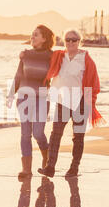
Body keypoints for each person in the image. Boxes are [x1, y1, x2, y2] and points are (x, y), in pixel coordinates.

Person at [38, 28, 104, 178]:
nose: (70, 42)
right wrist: (24, 54)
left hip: (80, 101)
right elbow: (42, 56)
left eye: (74, 39)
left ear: (79, 41)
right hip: (63, 100)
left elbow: (94, 83)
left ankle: (74, 168)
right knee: (56, 135)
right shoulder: (59, 56)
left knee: (78, 137)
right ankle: (50, 167)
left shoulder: (86, 59)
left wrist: (89, 104)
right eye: (67, 39)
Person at [7, 25, 55, 178]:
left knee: (38, 133)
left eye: (36, 35)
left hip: (42, 98)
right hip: (24, 97)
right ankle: (26, 169)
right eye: (32, 35)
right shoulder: (25, 55)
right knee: (25, 134)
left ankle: (47, 160)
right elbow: (18, 75)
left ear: (44, 38)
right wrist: (10, 94)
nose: (32, 37)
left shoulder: (52, 56)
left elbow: (66, 64)